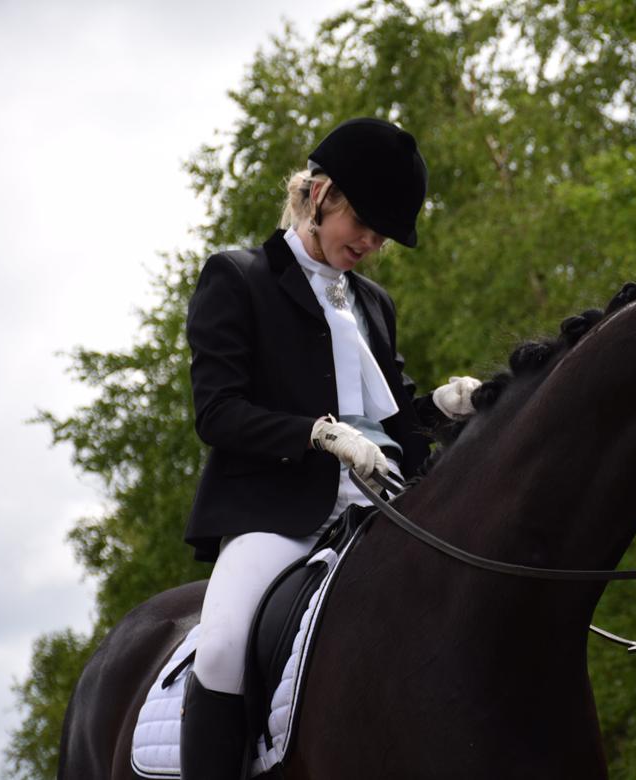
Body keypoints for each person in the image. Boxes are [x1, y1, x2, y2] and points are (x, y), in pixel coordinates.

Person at [180, 117, 479, 779]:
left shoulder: (372, 304)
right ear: (321, 196)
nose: (371, 243)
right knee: (224, 645)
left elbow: (394, 428)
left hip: (385, 507)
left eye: (381, 236)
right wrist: (316, 434)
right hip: (278, 513)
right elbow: (217, 412)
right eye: (364, 225)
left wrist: (444, 408)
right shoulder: (237, 277)